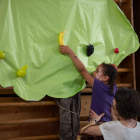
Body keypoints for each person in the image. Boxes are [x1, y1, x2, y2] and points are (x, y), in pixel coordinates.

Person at [60, 45, 117, 124]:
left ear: (105, 78)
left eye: (97, 71)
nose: (93, 73)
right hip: (107, 122)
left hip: (99, 123)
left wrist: (70, 52)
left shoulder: (99, 86)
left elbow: (82, 70)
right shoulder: (114, 87)